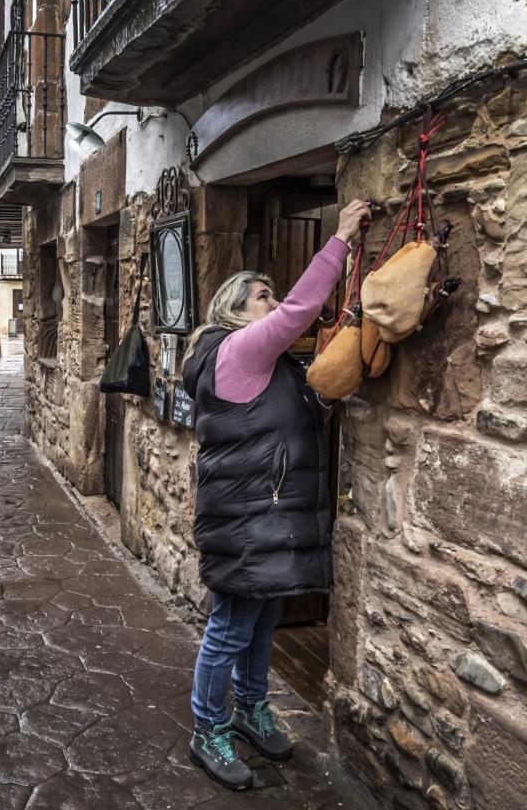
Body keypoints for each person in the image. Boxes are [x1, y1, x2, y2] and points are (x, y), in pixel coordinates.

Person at [181, 199, 370, 790]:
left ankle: (250, 709)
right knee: (232, 627)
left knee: (262, 624)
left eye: (269, 293)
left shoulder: (277, 366)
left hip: (268, 518)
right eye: (261, 296)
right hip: (246, 521)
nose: (273, 301)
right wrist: (339, 240)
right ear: (235, 313)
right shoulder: (236, 351)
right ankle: (207, 728)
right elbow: (297, 311)